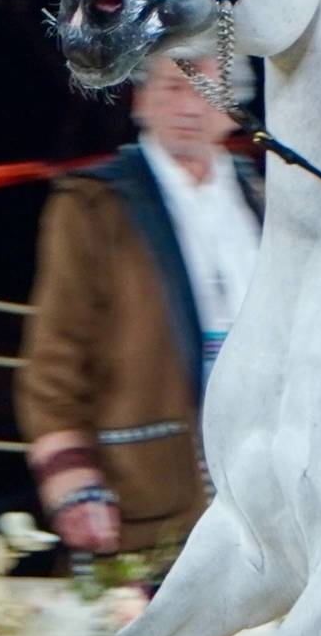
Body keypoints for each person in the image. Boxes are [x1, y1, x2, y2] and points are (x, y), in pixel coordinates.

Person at [15, 54, 262, 559]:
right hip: (147, 492)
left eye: (208, 89)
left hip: (265, 485)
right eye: (173, 86)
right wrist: (73, 480)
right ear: (141, 99)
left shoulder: (266, 198)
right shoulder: (93, 206)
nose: (190, 105)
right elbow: (54, 356)